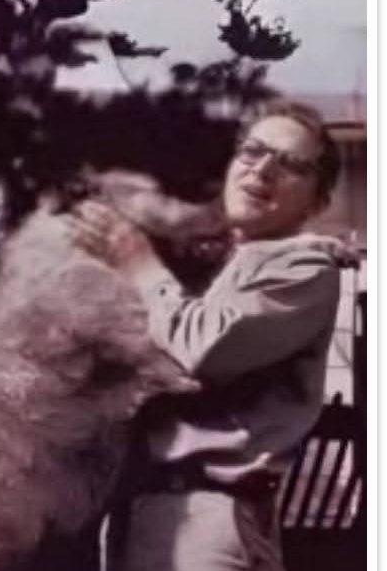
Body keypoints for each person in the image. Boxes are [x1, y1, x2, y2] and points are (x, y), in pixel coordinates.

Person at [68, 100, 345, 571]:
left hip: (206, 513)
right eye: (252, 151)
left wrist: (139, 264)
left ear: (318, 203)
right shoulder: (212, 265)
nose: (262, 169)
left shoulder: (305, 267)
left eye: (292, 164)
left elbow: (203, 348)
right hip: (137, 512)